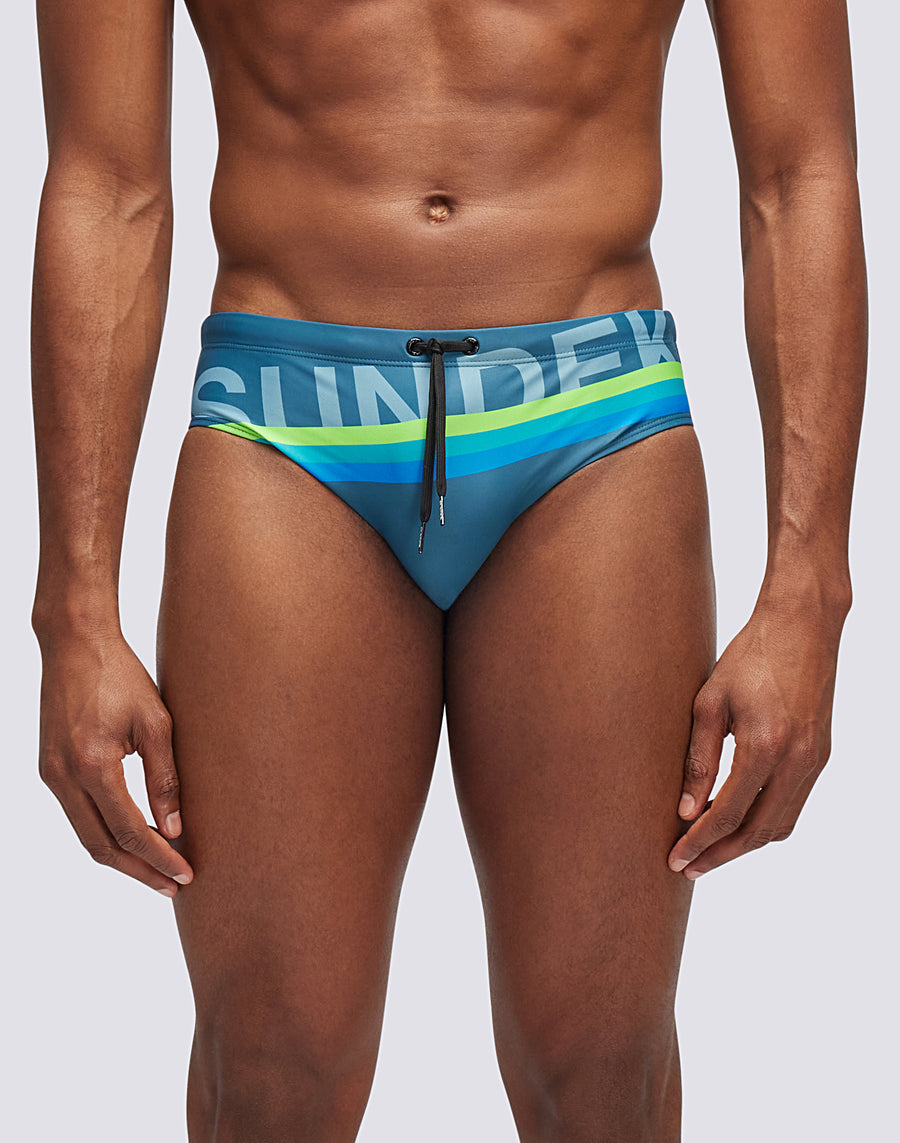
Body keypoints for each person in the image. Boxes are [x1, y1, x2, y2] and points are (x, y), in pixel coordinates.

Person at [29, 0, 866, 1139]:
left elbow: (798, 172)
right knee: (267, 1078)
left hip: (591, 415)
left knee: (601, 1083)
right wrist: (74, 610)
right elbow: (106, 184)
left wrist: (810, 592)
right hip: (284, 421)